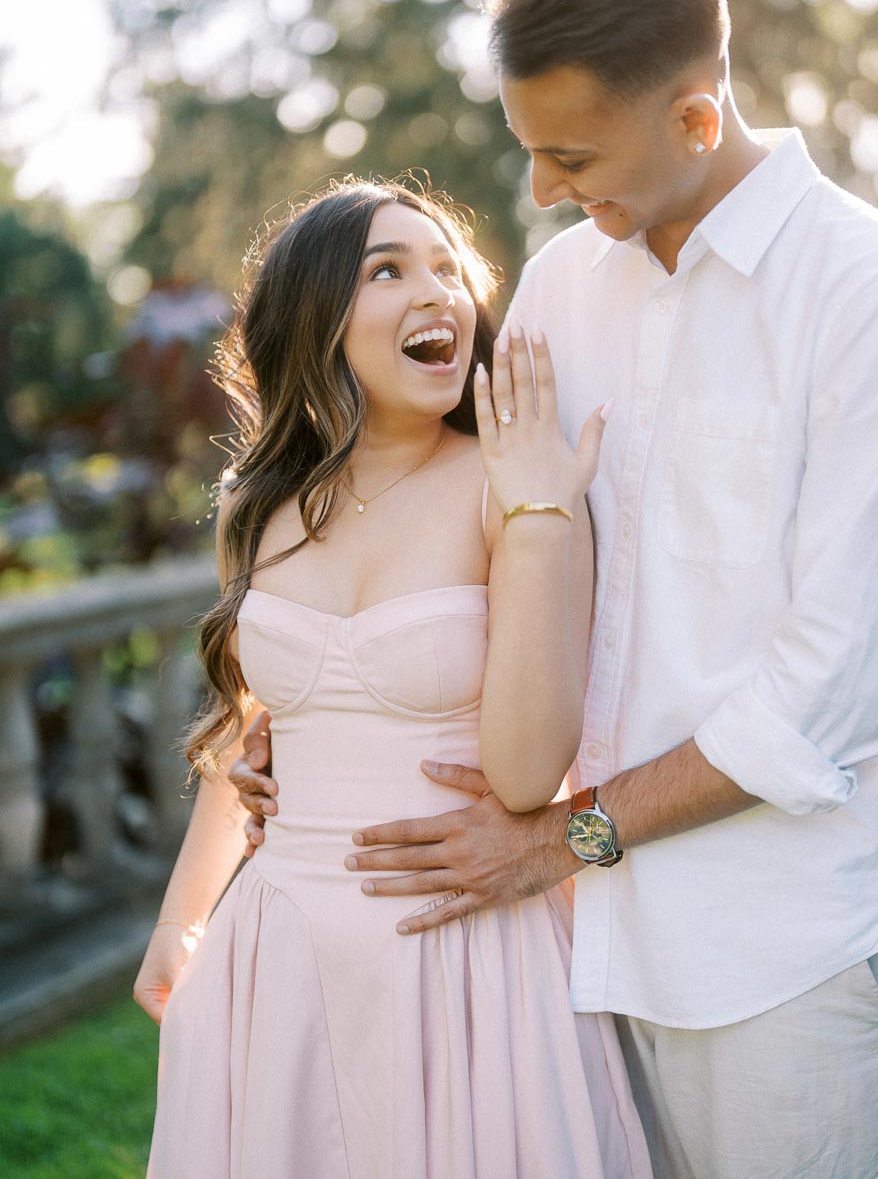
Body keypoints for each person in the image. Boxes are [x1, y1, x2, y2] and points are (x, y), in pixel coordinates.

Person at [234, 0, 878, 1178]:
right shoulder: (557, 287)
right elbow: (452, 536)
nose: (541, 191)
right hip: (542, 964)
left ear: (697, 119)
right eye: (531, 151)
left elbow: (832, 691)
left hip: (768, 962)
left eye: (570, 155)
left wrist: (558, 840)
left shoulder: (867, 297)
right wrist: (319, 725)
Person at [135, 177, 651, 1178]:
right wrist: (180, 920)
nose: (439, 294)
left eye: (449, 269)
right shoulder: (258, 503)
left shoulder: (516, 485)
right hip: (276, 947)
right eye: (390, 270)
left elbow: (521, 775)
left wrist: (543, 521)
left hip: (460, 951)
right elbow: (252, 726)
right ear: (317, 319)